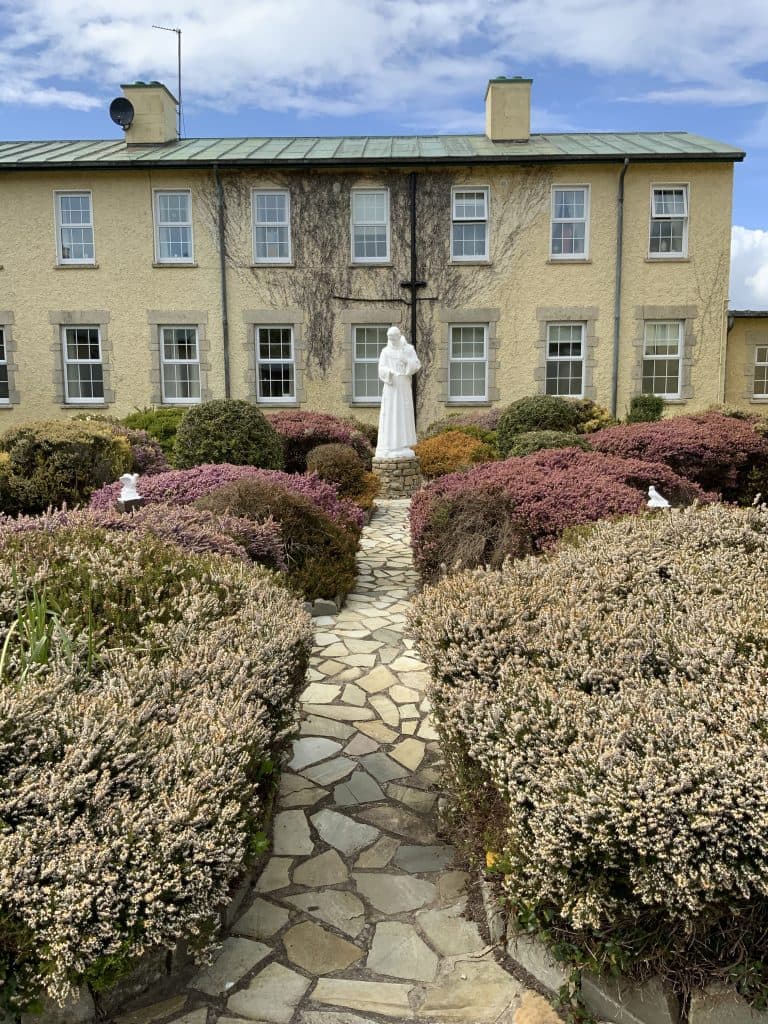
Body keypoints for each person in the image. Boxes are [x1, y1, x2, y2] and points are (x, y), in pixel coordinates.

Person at [375, 325, 421, 459]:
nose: (392, 341)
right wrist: (389, 373)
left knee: (403, 413)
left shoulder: (408, 349)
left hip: (403, 385)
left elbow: (416, 364)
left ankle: (403, 445)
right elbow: (381, 368)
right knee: (391, 414)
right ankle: (389, 445)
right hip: (391, 386)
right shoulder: (385, 351)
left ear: (398, 336)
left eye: (393, 338)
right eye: (389, 338)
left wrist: (406, 361)